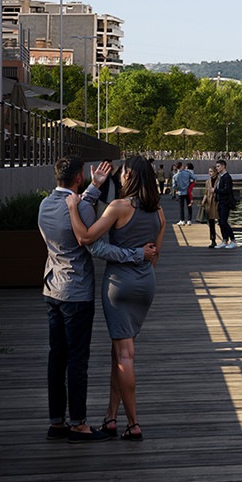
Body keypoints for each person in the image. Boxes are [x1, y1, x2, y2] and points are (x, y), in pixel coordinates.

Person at [40, 157, 151, 442]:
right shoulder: (82, 209)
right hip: (76, 293)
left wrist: (94, 188)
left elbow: (74, 205)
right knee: (78, 359)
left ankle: (57, 422)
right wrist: (136, 255)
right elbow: (94, 244)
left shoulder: (44, 206)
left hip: (51, 288)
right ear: (79, 177)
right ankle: (78, 424)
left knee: (57, 356)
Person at [205, 159, 238, 248]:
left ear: (223, 166)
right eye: (216, 166)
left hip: (225, 203)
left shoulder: (227, 177)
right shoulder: (221, 177)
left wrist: (215, 190)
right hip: (220, 202)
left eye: (218, 166)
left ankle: (233, 240)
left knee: (223, 222)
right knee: (221, 223)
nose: (217, 168)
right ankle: (225, 241)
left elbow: (227, 190)